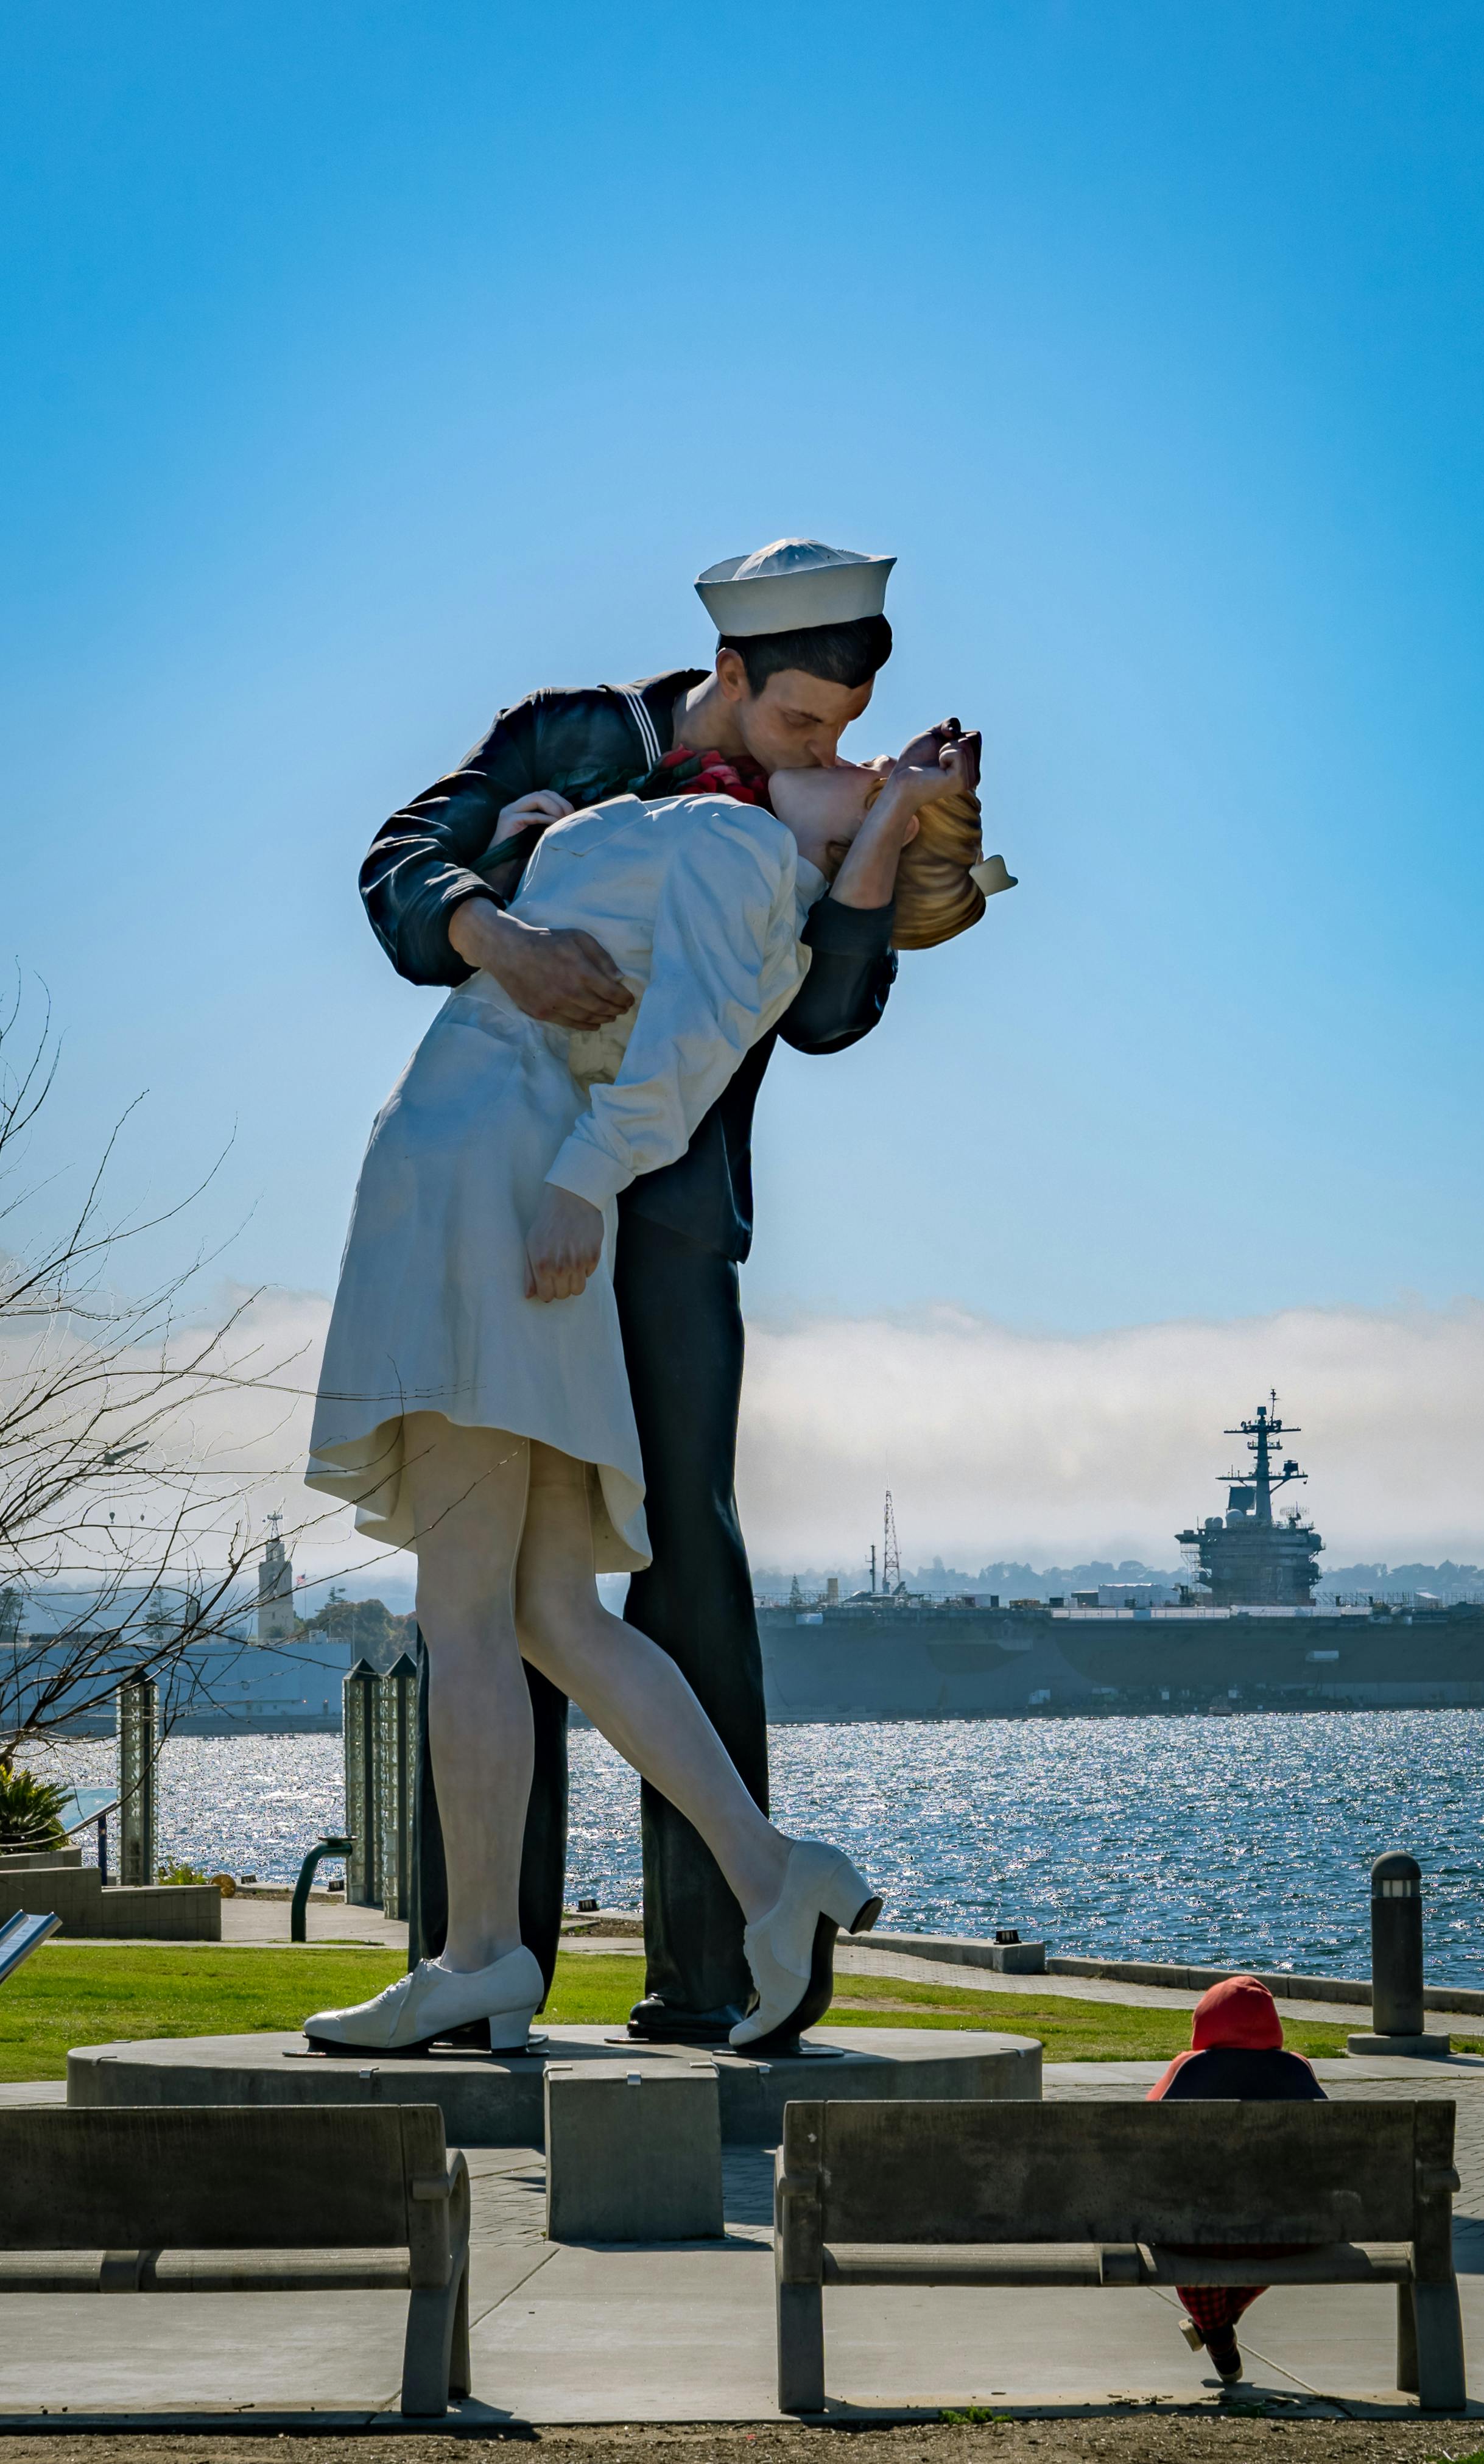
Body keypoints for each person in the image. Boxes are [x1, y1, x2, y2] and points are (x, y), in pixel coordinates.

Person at [359, 537, 981, 2044]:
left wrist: (882, 838)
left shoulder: (780, 828)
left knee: (661, 1567)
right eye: (795, 727)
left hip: (664, 1219)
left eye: (840, 735)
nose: (817, 752)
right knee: (515, 1601)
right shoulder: (574, 740)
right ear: (729, 676)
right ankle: (496, 1944)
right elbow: (398, 872)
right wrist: (495, 923)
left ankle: (695, 1967)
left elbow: (826, 1015)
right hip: (514, 1169)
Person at [1146, 1974, 1328, 2386]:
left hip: (1196, 2231)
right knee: (1273, 2235)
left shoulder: (1187, 2068)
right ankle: (1219, 2329)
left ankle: (1217, 2336)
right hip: (1282, 2233)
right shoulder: (1298, 2070)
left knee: (1191, 2254)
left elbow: (1144, 2140)